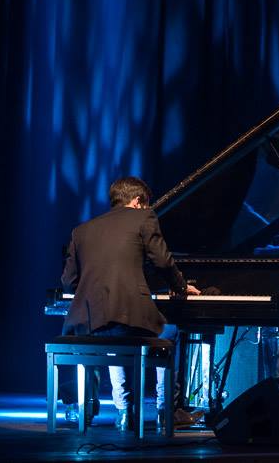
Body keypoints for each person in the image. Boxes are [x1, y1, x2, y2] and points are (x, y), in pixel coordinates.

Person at [61, 176, 200, 432]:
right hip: (129, 316)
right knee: (170, 331)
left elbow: (69, 282)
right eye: (145, 204)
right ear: (138, 201)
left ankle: (123, 411)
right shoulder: (144, 218)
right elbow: (163, 262)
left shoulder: (82, 230)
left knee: (113, 333)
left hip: (89, 322)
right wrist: (180, 287)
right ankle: (165, 409)